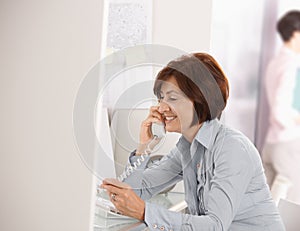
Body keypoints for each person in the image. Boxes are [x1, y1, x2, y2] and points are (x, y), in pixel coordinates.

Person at [101, 53, 284, 230]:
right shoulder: (187, 148)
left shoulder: (232, 149)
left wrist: (144, 211)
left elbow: (214, 226)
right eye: (161, 98)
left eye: (172, 98)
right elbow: (136, 193)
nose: (161, 107)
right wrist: (144, 147)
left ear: (201, 101)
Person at [262, 10, 300, 204]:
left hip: (271, 143)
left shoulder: (275, 63)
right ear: (296, 34)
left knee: (265, 201)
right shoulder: (292, 63)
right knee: (292, 202)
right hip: (287, 141)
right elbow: (280, 109)